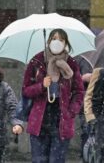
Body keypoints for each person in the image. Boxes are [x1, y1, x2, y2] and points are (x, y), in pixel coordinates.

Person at [22, 28, 84, 163]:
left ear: (66, 43)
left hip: (61, 119)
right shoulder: (37, 61)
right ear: (48, 41)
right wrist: (41, 86)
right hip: (40, 119)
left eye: (61, 39)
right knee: (39, 160)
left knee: (57, 160)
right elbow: (26, 90)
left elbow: (79, 92)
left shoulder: (71, 63)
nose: (57, 42)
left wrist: (71, 111)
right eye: (54, 39)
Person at [74, 55, 93, 161]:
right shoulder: (81, 59)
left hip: (99, 100)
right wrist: (83, 78)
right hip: (86, 103)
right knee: (87, 131)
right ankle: (86, 157)